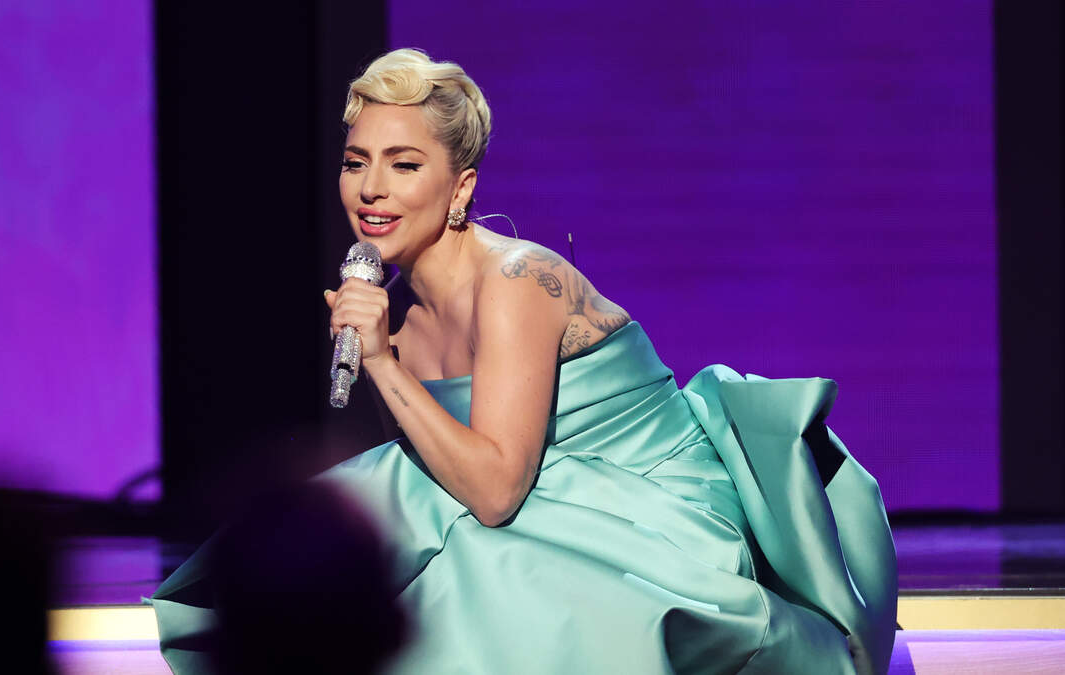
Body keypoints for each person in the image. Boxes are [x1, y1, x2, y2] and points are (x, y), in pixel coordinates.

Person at [152, 48, 898, 674]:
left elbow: (495, 491)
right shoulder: (398, 315)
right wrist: (385, 357)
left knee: (487, 561)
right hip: (543, 496)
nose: (371, 189)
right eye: (356, 163)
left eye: (404, 165)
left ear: (461, 187)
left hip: (656, 513)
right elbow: (432, 473)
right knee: (377, 516)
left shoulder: (514, 280)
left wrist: (380, 363)